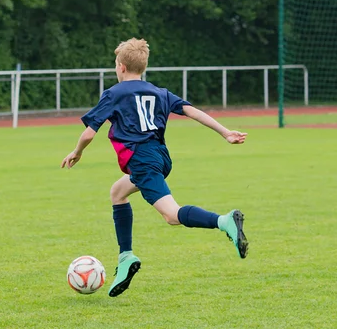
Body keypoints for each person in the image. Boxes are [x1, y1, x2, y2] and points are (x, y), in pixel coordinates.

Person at [61, 38, 249, 298]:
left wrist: (77, 152)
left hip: (142, 160)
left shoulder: (114, 94)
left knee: (171, 215)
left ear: (121, 67)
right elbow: (192, 111)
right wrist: (225, 132)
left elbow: (89, 134)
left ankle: (224, 221)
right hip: (160, 157)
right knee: (118, 192)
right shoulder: (159, 92)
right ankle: (126, 256)